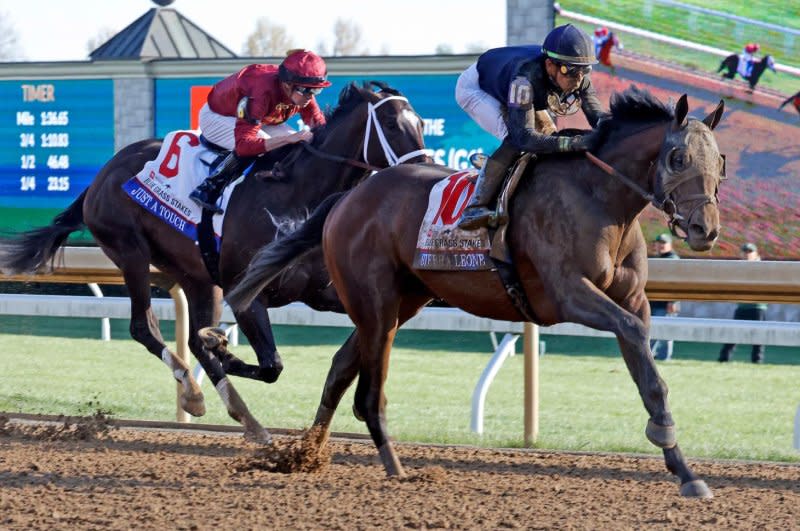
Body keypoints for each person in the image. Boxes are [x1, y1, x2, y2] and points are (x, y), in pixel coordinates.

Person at [454, 23, 606, 230]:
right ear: (550, 65)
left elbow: (598, 118)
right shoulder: (524, 79)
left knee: (550, 134)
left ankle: (497, 167)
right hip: (478, 89)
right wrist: (574, 143)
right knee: (515, 140)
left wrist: (617, 132)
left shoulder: (577, 76)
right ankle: (475, 207)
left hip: (511, 83)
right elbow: (524, 137)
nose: (578, 79)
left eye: (584, 70)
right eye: (570, 70)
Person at [189, 49, 331, 214]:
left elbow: (321, 128)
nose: (310, 96)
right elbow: (244, 145)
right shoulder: (260, 92)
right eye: (307, 90)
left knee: (299, 144)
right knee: (274, 142)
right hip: (218, 117)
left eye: (316, 90)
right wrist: (287, 139)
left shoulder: (301, 92)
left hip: (259, 118)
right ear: (287, 85)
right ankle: (209, 188)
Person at [718, 243, 768, 364]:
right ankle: (724, 359)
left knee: (758, 336)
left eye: (750, 252)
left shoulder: (763, 267)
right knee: (733, 334)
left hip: (757, 307)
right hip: (742, 306)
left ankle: (757, 361)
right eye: (744, 252)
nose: (747, 254)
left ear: (756, 254)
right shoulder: (739, 267)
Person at [649, 233, 680, 361]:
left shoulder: (673, 259)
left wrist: (673, 301)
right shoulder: (657, 259)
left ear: (670, 245)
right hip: (655, 302)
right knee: (656, 330)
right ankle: (655, 356)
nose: (660, 245)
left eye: (663, 243)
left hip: (666, 303)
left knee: (664, 332)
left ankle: (663, 357)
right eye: (658, 243)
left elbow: (677, 283)